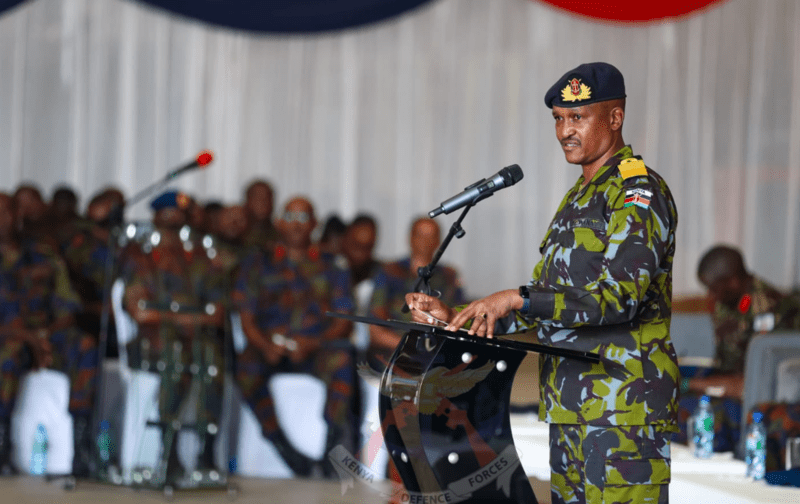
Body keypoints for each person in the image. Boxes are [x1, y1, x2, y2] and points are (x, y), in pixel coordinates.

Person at [405, 62, 679, 504]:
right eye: (558, 118)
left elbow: (619, 299)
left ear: (615, 118)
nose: (565, 131)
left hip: (622, 408)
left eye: (578, 117)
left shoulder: (636, 192)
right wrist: (461, 316)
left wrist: (517, 296)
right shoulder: (579, 197)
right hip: (570, 403)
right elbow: (547, 301)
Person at [233, 197, 355, 477]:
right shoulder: (257, 261)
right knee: (245, 365)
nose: (297, 225)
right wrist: (265, 345)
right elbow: (246, 318)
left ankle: (329, 450)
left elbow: (344, 320)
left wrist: (313, 343)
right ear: (279, 221)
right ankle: (281, 444)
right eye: (291, 216)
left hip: (315, 348)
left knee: (342, 360)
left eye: (304, 218)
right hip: (269, 348)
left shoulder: (333, 264)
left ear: (314, 224)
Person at [121, 191, 226, 481]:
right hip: (151, 340)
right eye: (169, 213)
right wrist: (188, 317)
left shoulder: (202, 257)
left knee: (213, 358)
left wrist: (187, 317)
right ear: (156, 217)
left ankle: (206, 451)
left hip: (197, 338)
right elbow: (140, 312)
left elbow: (217, 311)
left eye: (182, 213)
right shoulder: (140, 255)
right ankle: (169, 449)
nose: (175, 218)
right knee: (175, 353)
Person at [0, 192, 99, 477]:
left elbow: (67, 306)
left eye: (8, 212)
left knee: (85, 345)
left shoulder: (42, 254)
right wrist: (27, 337)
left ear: (19, 216)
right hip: (7, 337)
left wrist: (42, 336)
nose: (3, 219)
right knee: (10, 353)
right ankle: (3, 444)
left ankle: (81, 444)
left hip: (48, 334)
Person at [674, 245, 800, 452]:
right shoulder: (733, 301)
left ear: (732, 282)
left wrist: (690, 384)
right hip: (727, 380)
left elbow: (750, 384)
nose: (711, 296)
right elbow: (726, 362)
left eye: (714, 289)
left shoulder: (774, 310)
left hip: (755, 396)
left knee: (689, 408)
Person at [367, 216, 466, 371]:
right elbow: (375, 330)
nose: (425, 241)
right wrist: (410, 348)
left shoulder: (449, 277)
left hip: (437, 357)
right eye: (420, 235)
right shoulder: (389, 272)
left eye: (431, 236)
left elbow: (461, 321)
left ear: (438, 241)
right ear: (410, 238)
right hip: (394, 354)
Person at [242, 179, 280, 251]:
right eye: (257, 198)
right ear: (246, 202)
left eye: (267, 198)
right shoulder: (236, 234)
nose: (263, 203)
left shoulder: (281, 236)